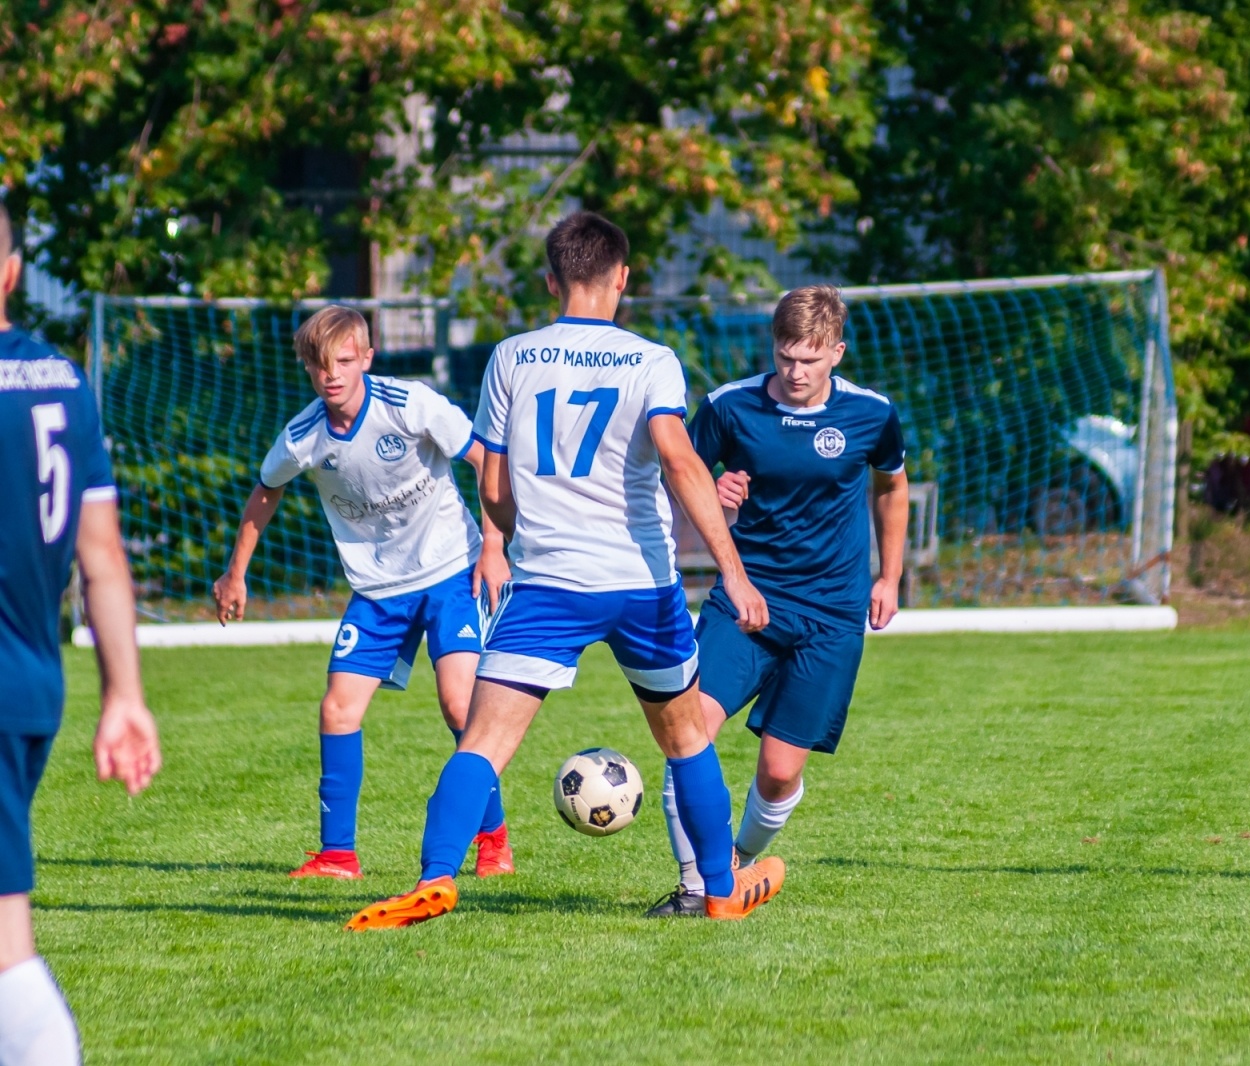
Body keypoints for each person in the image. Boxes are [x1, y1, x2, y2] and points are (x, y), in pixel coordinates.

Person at [346, 211, 784, 930]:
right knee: (685, 740)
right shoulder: (651, 360)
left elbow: (493, 483)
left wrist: (515, 535)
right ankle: (717, 888)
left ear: (551, 281)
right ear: (623, 279)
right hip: (641, 584)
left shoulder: (513, 356)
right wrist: (732, 572)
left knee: (484, 743)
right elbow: (679, 461)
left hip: (549, 585)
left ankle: (436, 879)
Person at [212, 306, 512, 880]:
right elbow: (265, 494)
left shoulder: (410, 405)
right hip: (377, 591)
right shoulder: (303, 437)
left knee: (458, 704)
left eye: (345, 361)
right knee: (337, 708)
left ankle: (493, 841)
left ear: (367, 359)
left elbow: (484, 462)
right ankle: (337, 855)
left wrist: (493, 544)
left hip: (452, 570)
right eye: (321, 364)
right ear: (307, 368)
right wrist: (236, 573)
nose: (333, 374)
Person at [646, 285, 909, 917]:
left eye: (810, 360)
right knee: (688, 733)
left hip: (831, 616)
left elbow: (892, 491)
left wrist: (889, 577)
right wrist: (715, 491)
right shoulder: (728, 408)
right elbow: (671, 491)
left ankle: (732, 861)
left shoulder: (872, 415)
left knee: (779, 771)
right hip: (746, 601)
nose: (794, 371)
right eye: (785, 356)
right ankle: (698, 886)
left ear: (836, 354)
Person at [0, 202, 160, 1066]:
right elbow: (101, 561)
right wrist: (124, 697)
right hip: (30, 688)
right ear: (13, 272)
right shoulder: (61, 381)